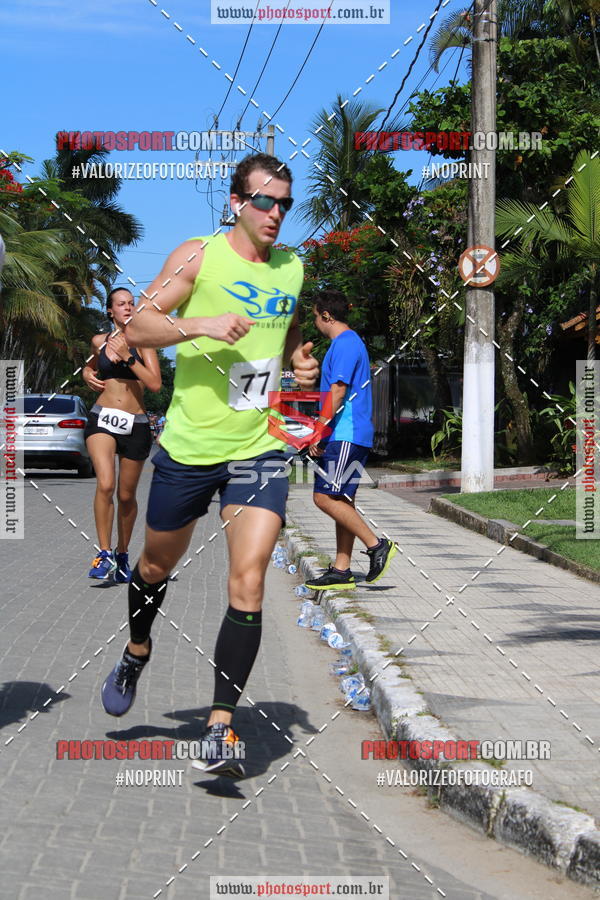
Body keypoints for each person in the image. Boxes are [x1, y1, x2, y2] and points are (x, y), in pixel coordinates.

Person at [100, 153, 318, 778]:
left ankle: (220, 725)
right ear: (236, 203)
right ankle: (137, 649)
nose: (275, 213)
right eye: (264, 201)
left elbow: (285, 327)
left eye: (284, 203)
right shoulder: (199, 256)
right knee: (154, 565)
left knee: (248, 579)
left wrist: (298, 362)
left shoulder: (292, 267)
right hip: (191, 449)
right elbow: (139, 326)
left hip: (257, 448)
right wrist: (202, 324)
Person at [302, 290, 396, 591]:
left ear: (326, 315)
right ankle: (341, 570)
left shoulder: (345, 344)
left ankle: (377, 545)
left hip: (348, 433)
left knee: (324, 497)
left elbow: (338, 392)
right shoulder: (348, 343)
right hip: (346, 433)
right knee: (342, 501)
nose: (315, 322)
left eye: (316, 317)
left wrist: (318, 430)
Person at [82, 288, 162, 582]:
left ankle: (122, 554)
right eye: (121, 304)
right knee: (105, 483)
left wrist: (128, 357)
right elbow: (91, 364)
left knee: (126, 496)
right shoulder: (99, 341)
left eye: (131, 303)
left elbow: (155, 383)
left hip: (135, 423)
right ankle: (103, 554)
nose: (128, 307)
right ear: (110, 310)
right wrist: (86, 373)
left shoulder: (144, 342)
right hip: (102, 418)